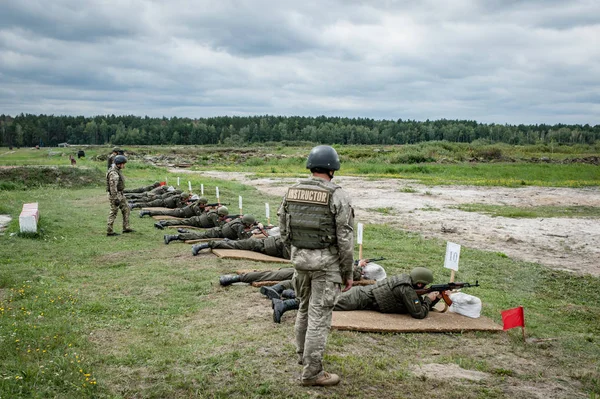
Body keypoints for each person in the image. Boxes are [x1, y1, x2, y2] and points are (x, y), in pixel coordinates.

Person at [277, 145, 354, 387]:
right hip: (326, 265)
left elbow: (283, 230)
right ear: (332, 169)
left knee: (303, 308)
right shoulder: (337, 195)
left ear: (311, 167)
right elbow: (345, 239)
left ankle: (303, 356)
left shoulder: (291, 192)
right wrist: (347, 271)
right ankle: (312, 373)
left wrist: (297, 253)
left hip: (300, 262)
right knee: (319, 317)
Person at [272, 267, 439, 324]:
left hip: (361, 296)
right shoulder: (406, 289)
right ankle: (285, 304)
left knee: (324, 299)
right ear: (419, 283)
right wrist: (428, 299)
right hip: (359, 298)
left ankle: (288, 294)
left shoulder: (405, 281)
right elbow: (418, 313)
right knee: (325, 303)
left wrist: (433, 299)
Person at [163, 214, 257, 244]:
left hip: (217, 231)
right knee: (198, 236)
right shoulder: (239, 226)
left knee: (199, 235)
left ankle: (184, 232)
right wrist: (252, 232)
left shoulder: (238, 221)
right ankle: (173, 237)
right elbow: (244, 239)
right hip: (216, 234)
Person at [193, 233, 291, 257]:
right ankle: (205, 245)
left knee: (235, 244)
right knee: (235, 244)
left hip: (260, 244)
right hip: (262, 244)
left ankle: (203, 245)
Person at [106, 155, 134, 236]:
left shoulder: (117, 170)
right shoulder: (113, 173)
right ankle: (109, 231)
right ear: (119, 164)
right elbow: (112, 187)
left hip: (120, 194)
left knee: (126, 209)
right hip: (116, 195)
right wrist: (115, 199)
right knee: (113, 212)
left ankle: (126, 227)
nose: (124, 165)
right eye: (123, 164)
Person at [153, 205, 228, 229]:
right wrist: (225, 221)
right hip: (196, 222)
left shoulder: (213, 212)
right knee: (180, 222)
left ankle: (163, 223)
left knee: (181, 222)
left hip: (196, 220)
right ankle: (163, 223)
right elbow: (219, 226)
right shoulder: (214, 215)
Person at [141, 196, 209, 219]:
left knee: (165, 213)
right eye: (204, 204)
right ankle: (147, 212)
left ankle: (148, 212)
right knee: (164, 213)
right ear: (202, 203)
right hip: (179, 213)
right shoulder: (196, 207)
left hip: (180, 212)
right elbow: (200, 216)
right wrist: (206, 211)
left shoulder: (196, 204)